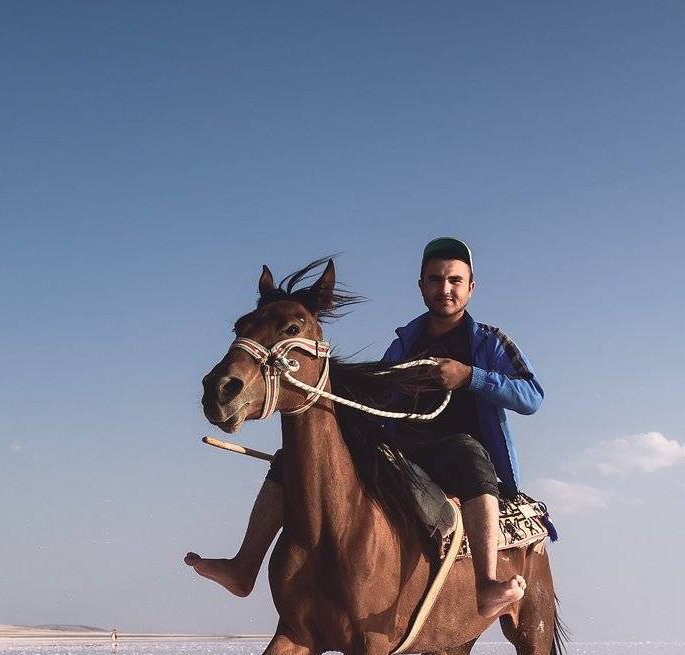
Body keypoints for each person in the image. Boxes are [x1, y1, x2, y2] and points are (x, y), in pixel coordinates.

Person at [186, 237, 543, 618]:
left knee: (471, 456)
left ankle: (486, 583)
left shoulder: (489, 341)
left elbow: (531, 396)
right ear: (421, 286)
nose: (445, 288)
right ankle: (244, 566)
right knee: (292, 458)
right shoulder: (403, 344)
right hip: (402, 448)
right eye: (436, 279)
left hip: (457, 450)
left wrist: (469, 376)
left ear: (471, 287)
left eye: (455, 280)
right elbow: (379, 400)